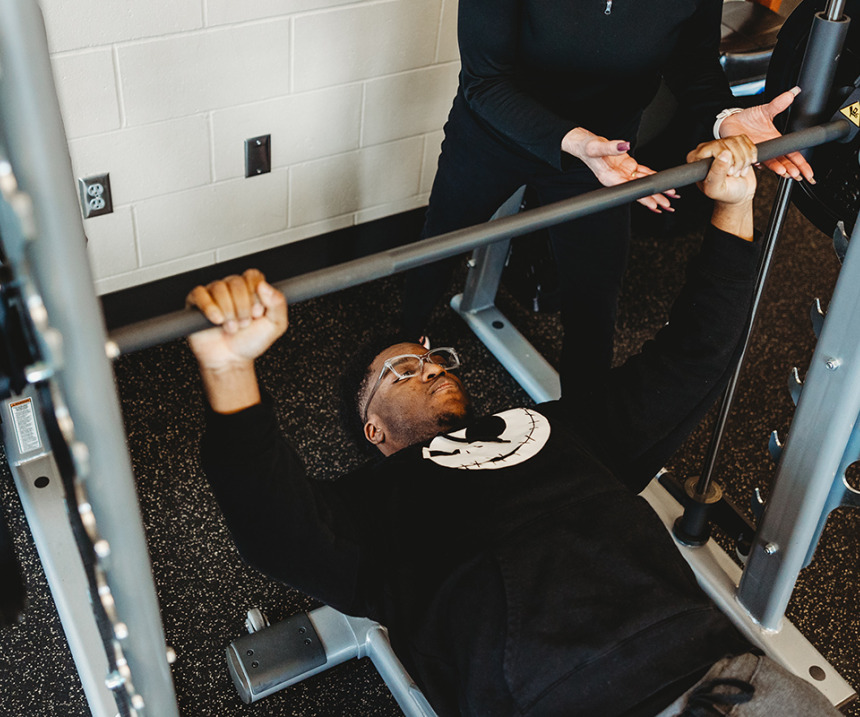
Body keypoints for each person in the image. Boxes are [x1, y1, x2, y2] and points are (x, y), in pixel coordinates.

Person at [187, 138, 838, 716]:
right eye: (403, 370)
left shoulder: (559, 430)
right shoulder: (372, 506)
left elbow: (693, 358)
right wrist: (230, 367)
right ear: (374, 432)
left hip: (724, 676)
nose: (434, 367)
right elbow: (277, 528)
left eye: (437, 358)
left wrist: (732, 208)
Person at [402, 0, 815, 394]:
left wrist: (727, 118)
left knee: (593, 303)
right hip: (496, 133)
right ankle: (401, 348)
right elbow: (485, 81)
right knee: (439, 245)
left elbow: (692, 60)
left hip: (605, 154)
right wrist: (576, 142)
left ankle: (584, 428)